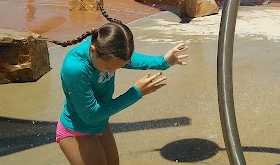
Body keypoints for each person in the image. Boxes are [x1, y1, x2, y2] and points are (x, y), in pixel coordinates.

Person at [52, 13, 188, 165]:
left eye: (117, 68)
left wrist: (163, 61)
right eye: (108, 68)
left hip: (101, 125)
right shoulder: (75, 68)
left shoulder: (105, 49)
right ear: (93, 50)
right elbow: (90, 115)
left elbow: (128, 60)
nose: (111, 71)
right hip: (77, 130)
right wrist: (136, 93)